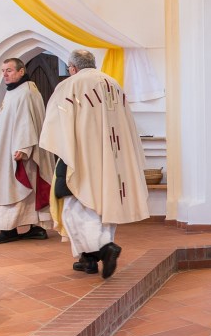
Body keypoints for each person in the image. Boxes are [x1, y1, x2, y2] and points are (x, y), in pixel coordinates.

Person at [39, 49, 149, 278]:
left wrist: (63, 150)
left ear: (72, 68)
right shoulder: (113, 83)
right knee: (105, 207)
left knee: (75, 207)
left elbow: (56, 123)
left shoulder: (70, 85)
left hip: (82, 156)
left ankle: (104, 248)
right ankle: (88, 259)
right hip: (113, 157)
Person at [0, 58, 55, 244]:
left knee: (16, 186)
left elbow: (26, 122)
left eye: (9, 70)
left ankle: (10, 229)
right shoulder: (15, 91)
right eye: (3, 71)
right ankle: (34, 227)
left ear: (21, 71)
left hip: (20, 149)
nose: (5, 74)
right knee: (13, 186)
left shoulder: (27, 92)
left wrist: (23, 148)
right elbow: (10, 114)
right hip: (9, 146)